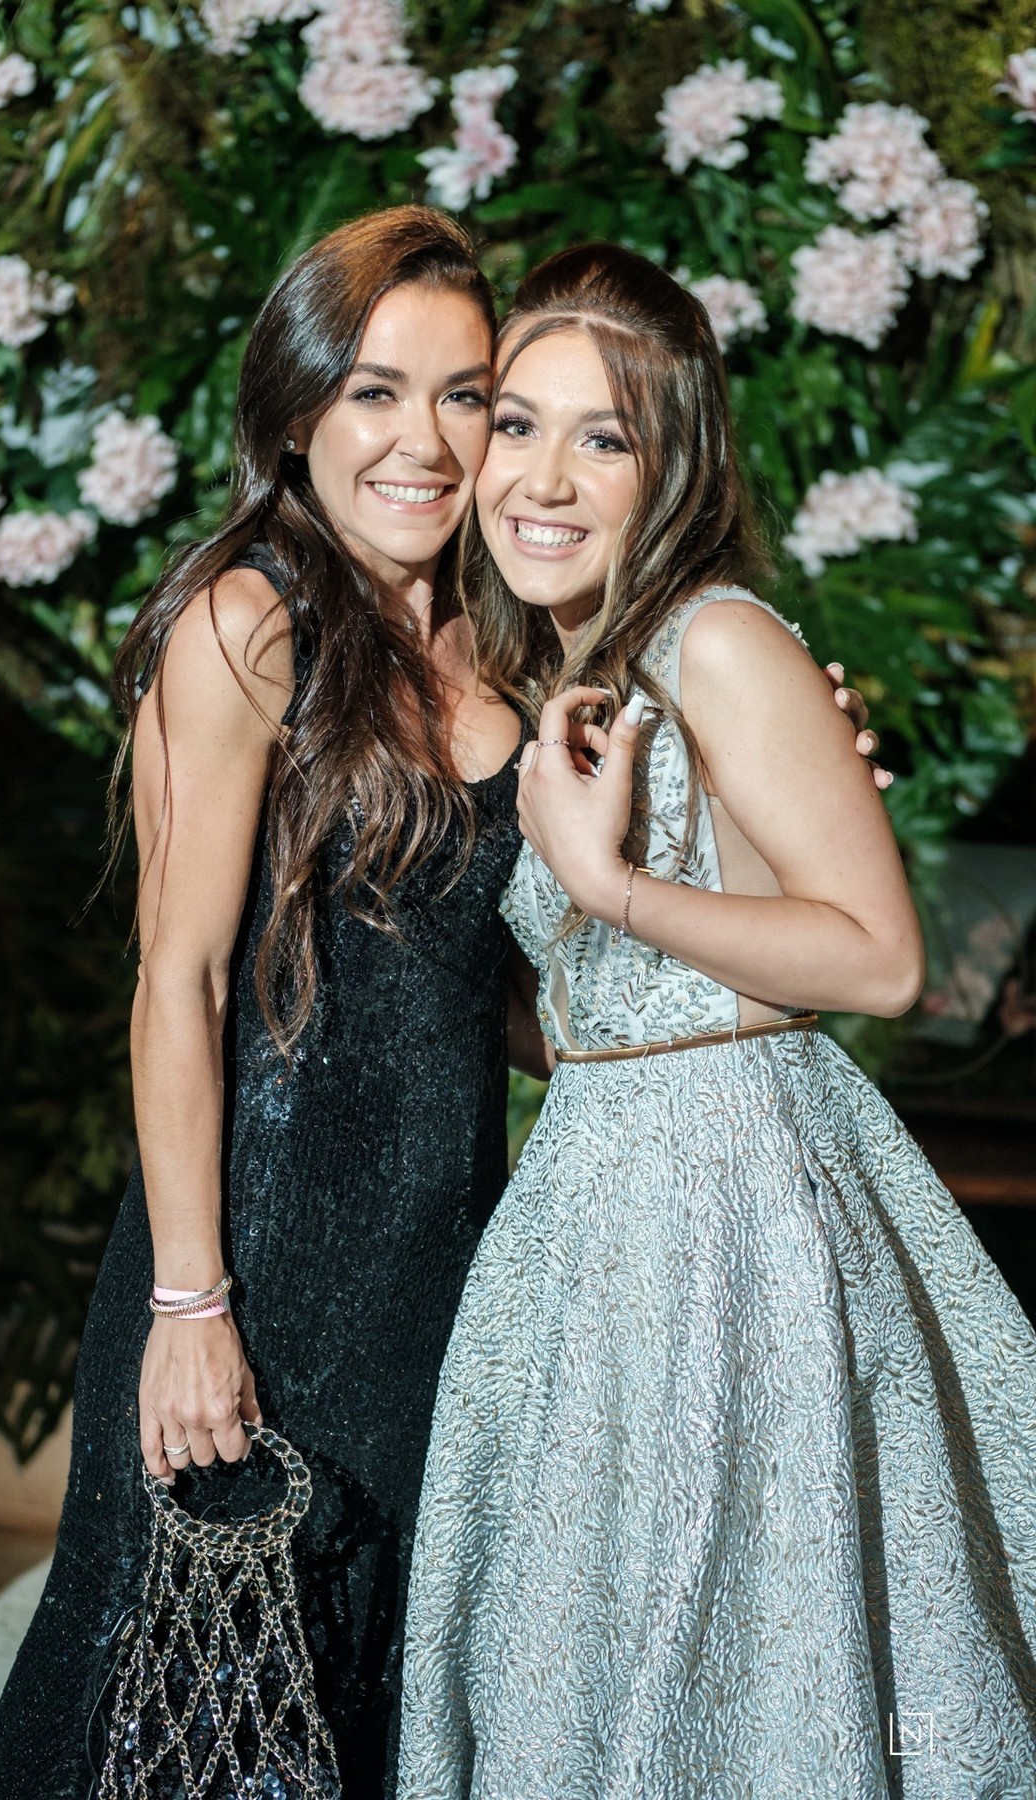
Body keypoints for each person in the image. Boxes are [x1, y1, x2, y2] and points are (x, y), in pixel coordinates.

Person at [0, 209, 878, 1800]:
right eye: (374, 391)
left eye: (467, 397)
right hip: (253, 1267)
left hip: (444, 1278)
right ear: (296, 408)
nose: (425, 441)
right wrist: (190, 1307)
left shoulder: (508, 642)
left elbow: (505, 997)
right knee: (180, 1706)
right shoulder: (249, 620)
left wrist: (772, 782)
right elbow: (176, 982)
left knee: (378, 1705)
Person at [398, 245, 1036, 1799]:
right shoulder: (556, 664)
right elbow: (594, 1019)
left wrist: (608, 884)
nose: (543, 477)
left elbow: (879, 959)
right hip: (593, 1202)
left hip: (737, 1202)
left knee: (744, 1638)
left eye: (602, 438)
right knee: (596, 1650)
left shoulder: (720, 639)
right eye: (518, 424)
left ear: (671, 463)